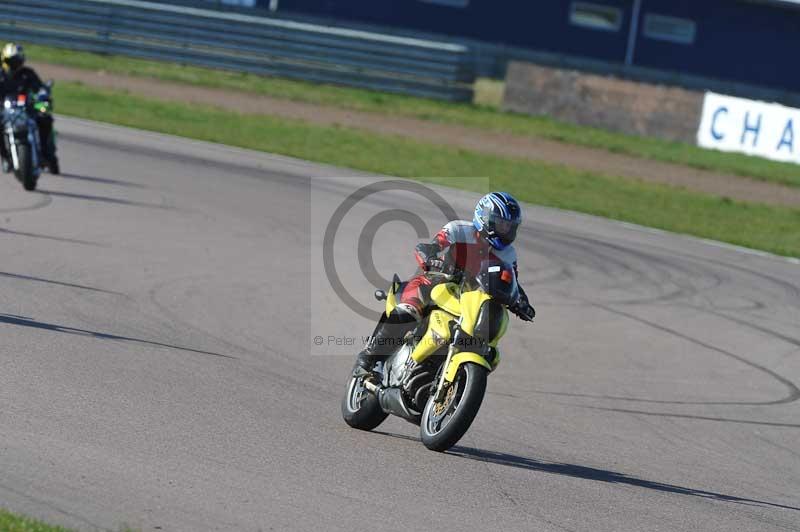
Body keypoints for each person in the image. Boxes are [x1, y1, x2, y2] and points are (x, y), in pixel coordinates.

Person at [353, 191, 535, 378]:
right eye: (502, 224)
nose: (506, 231)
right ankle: (370, 359)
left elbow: (511, 280)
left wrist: (521, 301)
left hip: (468, 297)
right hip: (437, 280)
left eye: (510, 227)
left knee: (486, 340)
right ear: (485, 218)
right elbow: (432, 246)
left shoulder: (509, 254)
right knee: (409, 309)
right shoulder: (459, 230)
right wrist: (430, 257)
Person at [0, 43, 58, 170]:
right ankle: (5, 157)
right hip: (5, 109)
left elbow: (40, 88)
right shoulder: (1, 75)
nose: (14, 64)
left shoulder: (28, 74)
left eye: (17, 61)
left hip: (27, 107)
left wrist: (43, 96)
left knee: (45, 117)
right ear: (5, 61)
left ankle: (45, 153)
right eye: (11, 61)